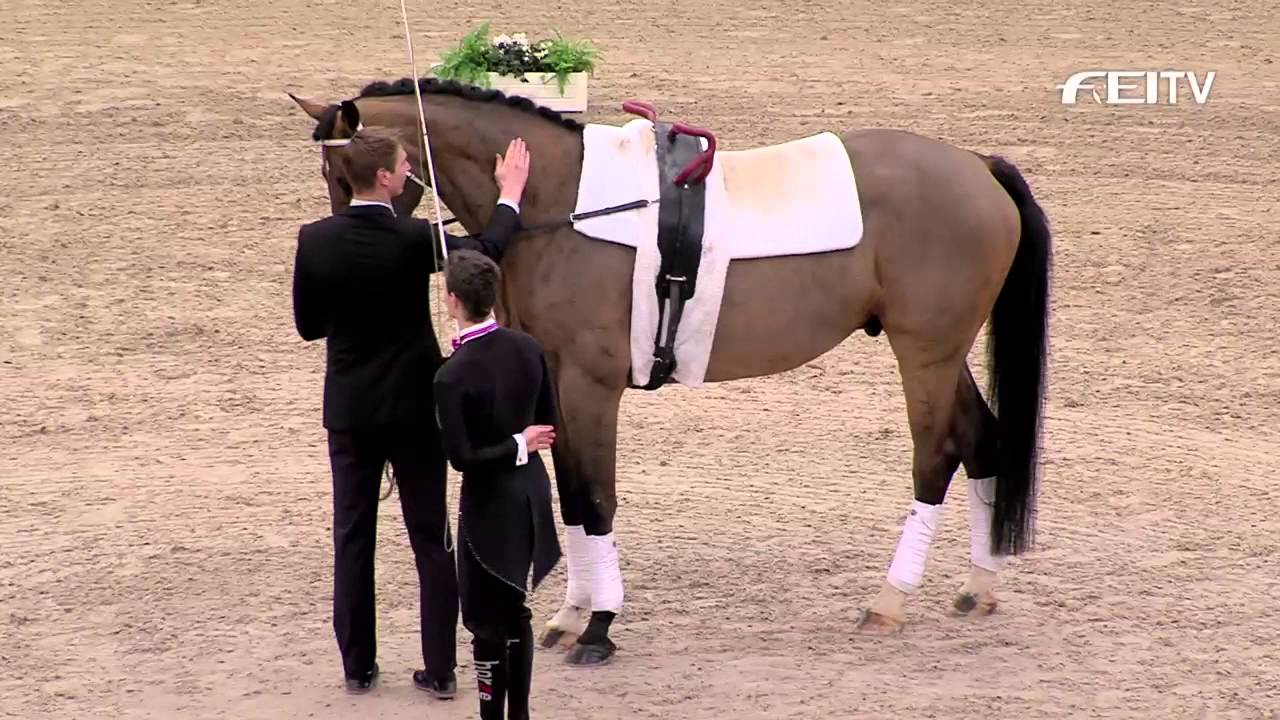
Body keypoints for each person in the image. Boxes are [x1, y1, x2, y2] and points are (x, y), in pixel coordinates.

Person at [291, 126, 532, 696]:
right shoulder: (411, 239)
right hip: (415, 408)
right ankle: (442, 668)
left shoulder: (315, 239)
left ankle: (357, 665)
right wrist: (510, 195)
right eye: (403, 166)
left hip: (350, 408)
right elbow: (484, 252)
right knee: (430, 537)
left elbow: (307, 327)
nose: (409, 174)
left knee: (352, 536)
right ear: (383, 177)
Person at [432, 249, 562, 720]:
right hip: (530, 494)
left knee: (486, 625)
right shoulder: (527, 347)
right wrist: (523, 439)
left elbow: (463, 459)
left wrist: (514, 443)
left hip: (490, 507)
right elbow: (547, 422)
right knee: (516, 614)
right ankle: (520, 714)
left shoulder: (451, 376)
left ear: (452, 301)